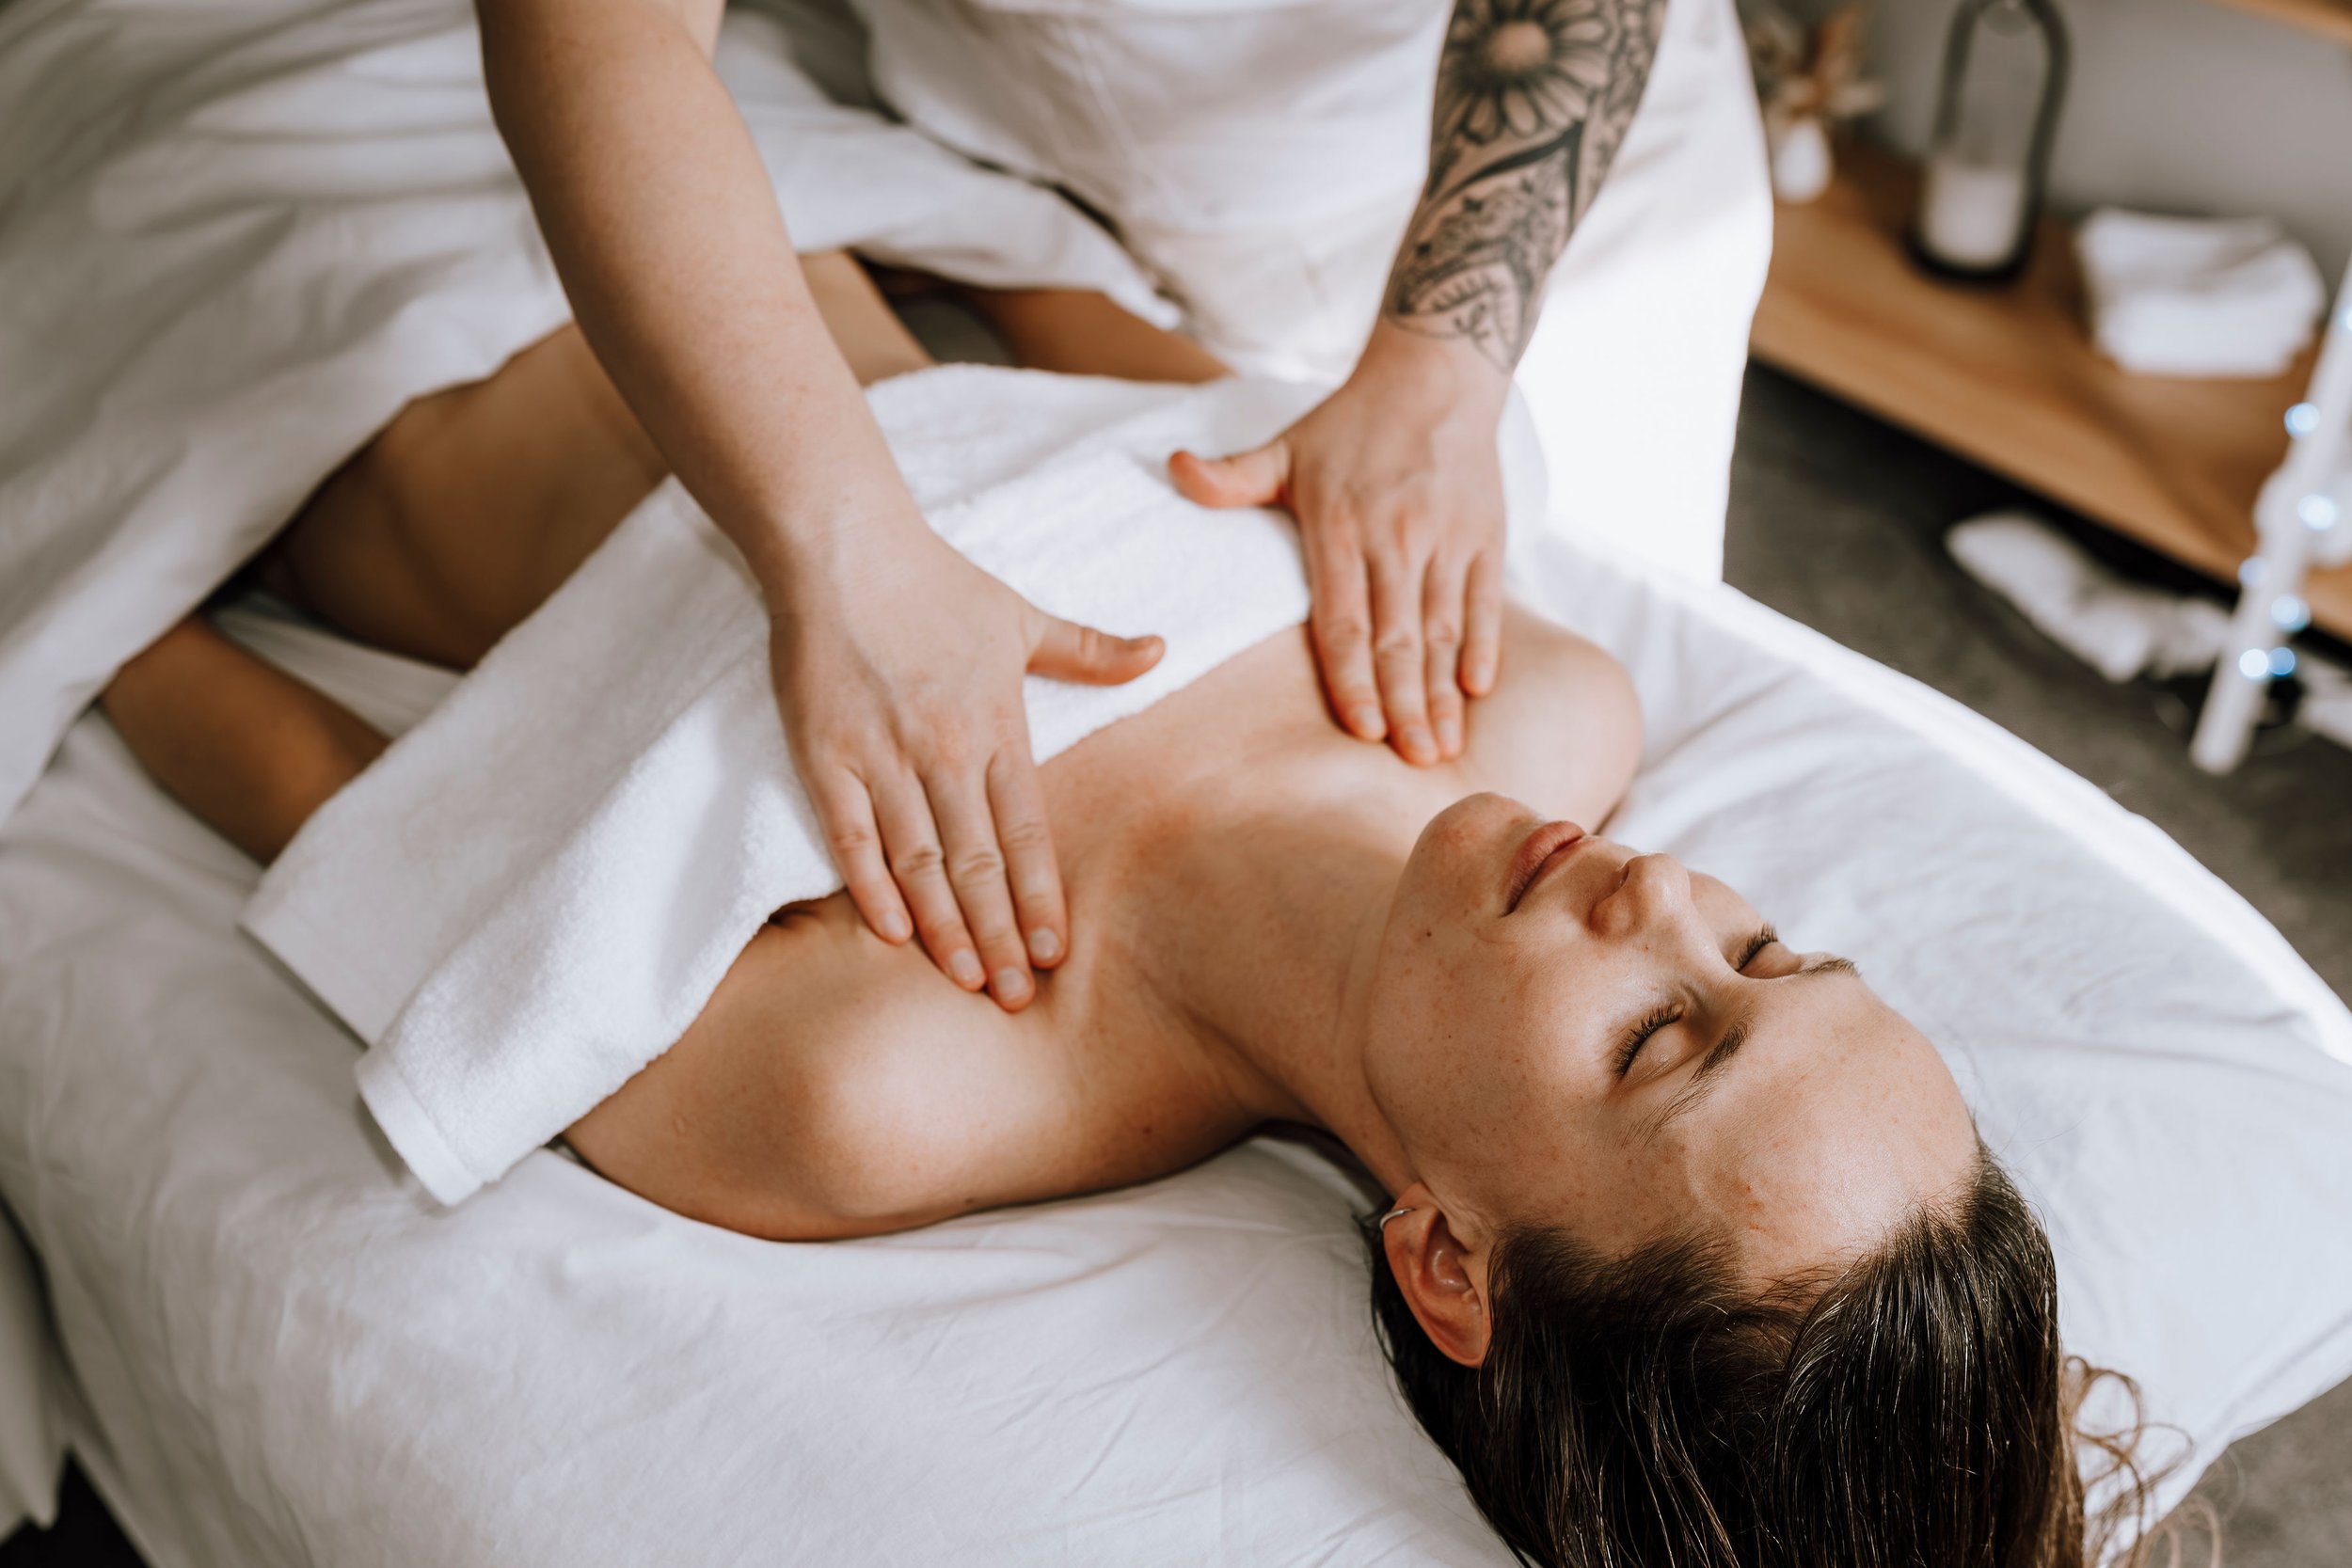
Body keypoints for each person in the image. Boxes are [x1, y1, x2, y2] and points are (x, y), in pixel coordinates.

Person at [105, 266, 2159, 1568]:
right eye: (1763, 952)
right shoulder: (1529, 703)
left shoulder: (899, 1074)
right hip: (770, 189)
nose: (1656, 903)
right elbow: (1145, 368)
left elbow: (352, 817)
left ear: (1452, 1263)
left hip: (330, 324)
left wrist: (84, 610)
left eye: (1653, 1041)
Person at [470, 0, 1683, 1010]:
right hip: (971, 122)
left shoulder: (1559, 707)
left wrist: (1439, 371)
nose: (1663, 897)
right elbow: (597, 38)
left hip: (1468, 160)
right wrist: (841, 555)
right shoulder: (1561, 713)